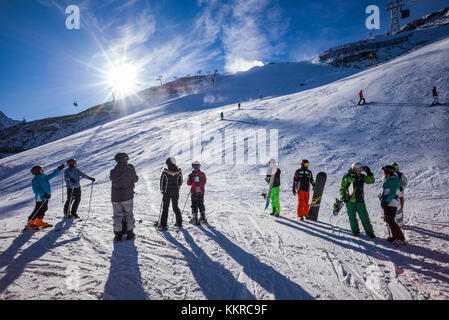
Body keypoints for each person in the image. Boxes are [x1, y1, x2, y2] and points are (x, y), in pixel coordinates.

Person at [340, 162, 376, 238]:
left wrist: (369, 173)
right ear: (354, 169)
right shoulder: (347, 177)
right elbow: (342, 188)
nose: (360, 171)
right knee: (352, 217)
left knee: (364, 217)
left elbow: (371, 181)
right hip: (350, 201)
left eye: (361, 169)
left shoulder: (362, 177)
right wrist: (343, 196)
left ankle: (369, 232)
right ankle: (355, 231)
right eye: (358, 170)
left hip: (360, 200)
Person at [26, 163, 65, 230]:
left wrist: (58, 169)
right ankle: (30, 223)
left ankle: (39, 222)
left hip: (46, 196)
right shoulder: (35, 180)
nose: (43, 170)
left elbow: (52, 175)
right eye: (41, 170)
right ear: (37, 171)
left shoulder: (44, 177)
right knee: (37, 210)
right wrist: (43, 194)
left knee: (44, 209)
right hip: (40, 197)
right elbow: (36, 190)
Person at [110, 153, 138, 242]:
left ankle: (118, 235)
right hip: (127, 196)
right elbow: (135, 179)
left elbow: (112, 179)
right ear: (125, 160)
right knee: (128, 214)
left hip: (116, 197)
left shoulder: (113, 171)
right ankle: (130, 234)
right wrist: (133, 170)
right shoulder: (130, 170)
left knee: (117, 216)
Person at [380, 165, 406, 246]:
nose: (383, 173)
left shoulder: (394, 180)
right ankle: (395, 236)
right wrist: (383, 199)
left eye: (384, 171)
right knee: (388, 220)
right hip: (388, 202)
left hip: (392, 202)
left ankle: (401, 238)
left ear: (388, 172)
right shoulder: (389, 179)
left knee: (391, 220)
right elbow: (387, 191)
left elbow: (393, 192)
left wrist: (386, 201)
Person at [159, 157, 183, 230]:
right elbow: (181, 181)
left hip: (166, 192)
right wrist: (177, 188)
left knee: (165, 208)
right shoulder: (178, 172)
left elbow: (162, 182)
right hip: (175, 192)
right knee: (175, 206)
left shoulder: (165, 172)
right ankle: (179, 222)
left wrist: (162, 190)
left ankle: (164, 225)